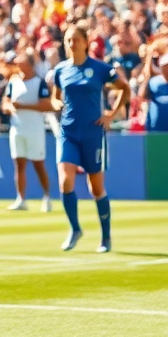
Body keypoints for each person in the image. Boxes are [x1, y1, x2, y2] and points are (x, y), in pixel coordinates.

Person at [49, 23, 129, 253]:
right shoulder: (61, 70)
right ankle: (75, 228)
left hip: (93, 133)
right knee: (65, 181)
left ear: (86, 42)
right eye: (68, 40)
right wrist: (56, 103)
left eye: (75, 39)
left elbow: (125, 88)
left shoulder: (100, 68)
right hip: (68, 132)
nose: (71, 44)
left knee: (96, 188)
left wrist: (111, 115)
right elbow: (55, 97)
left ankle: (106, 237)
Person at [1, 51, 53, 212]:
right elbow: (6, 102)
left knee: (38, 164)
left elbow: (46, 105)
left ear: (30, 64)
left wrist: (22, 106)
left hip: (35, 129)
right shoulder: (13, 81)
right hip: (17, 128)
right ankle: (21, 199)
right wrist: (9, 108)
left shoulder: (39, 82)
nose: (18, 64)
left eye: (21, 62)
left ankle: (46, 197)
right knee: (19, 164)